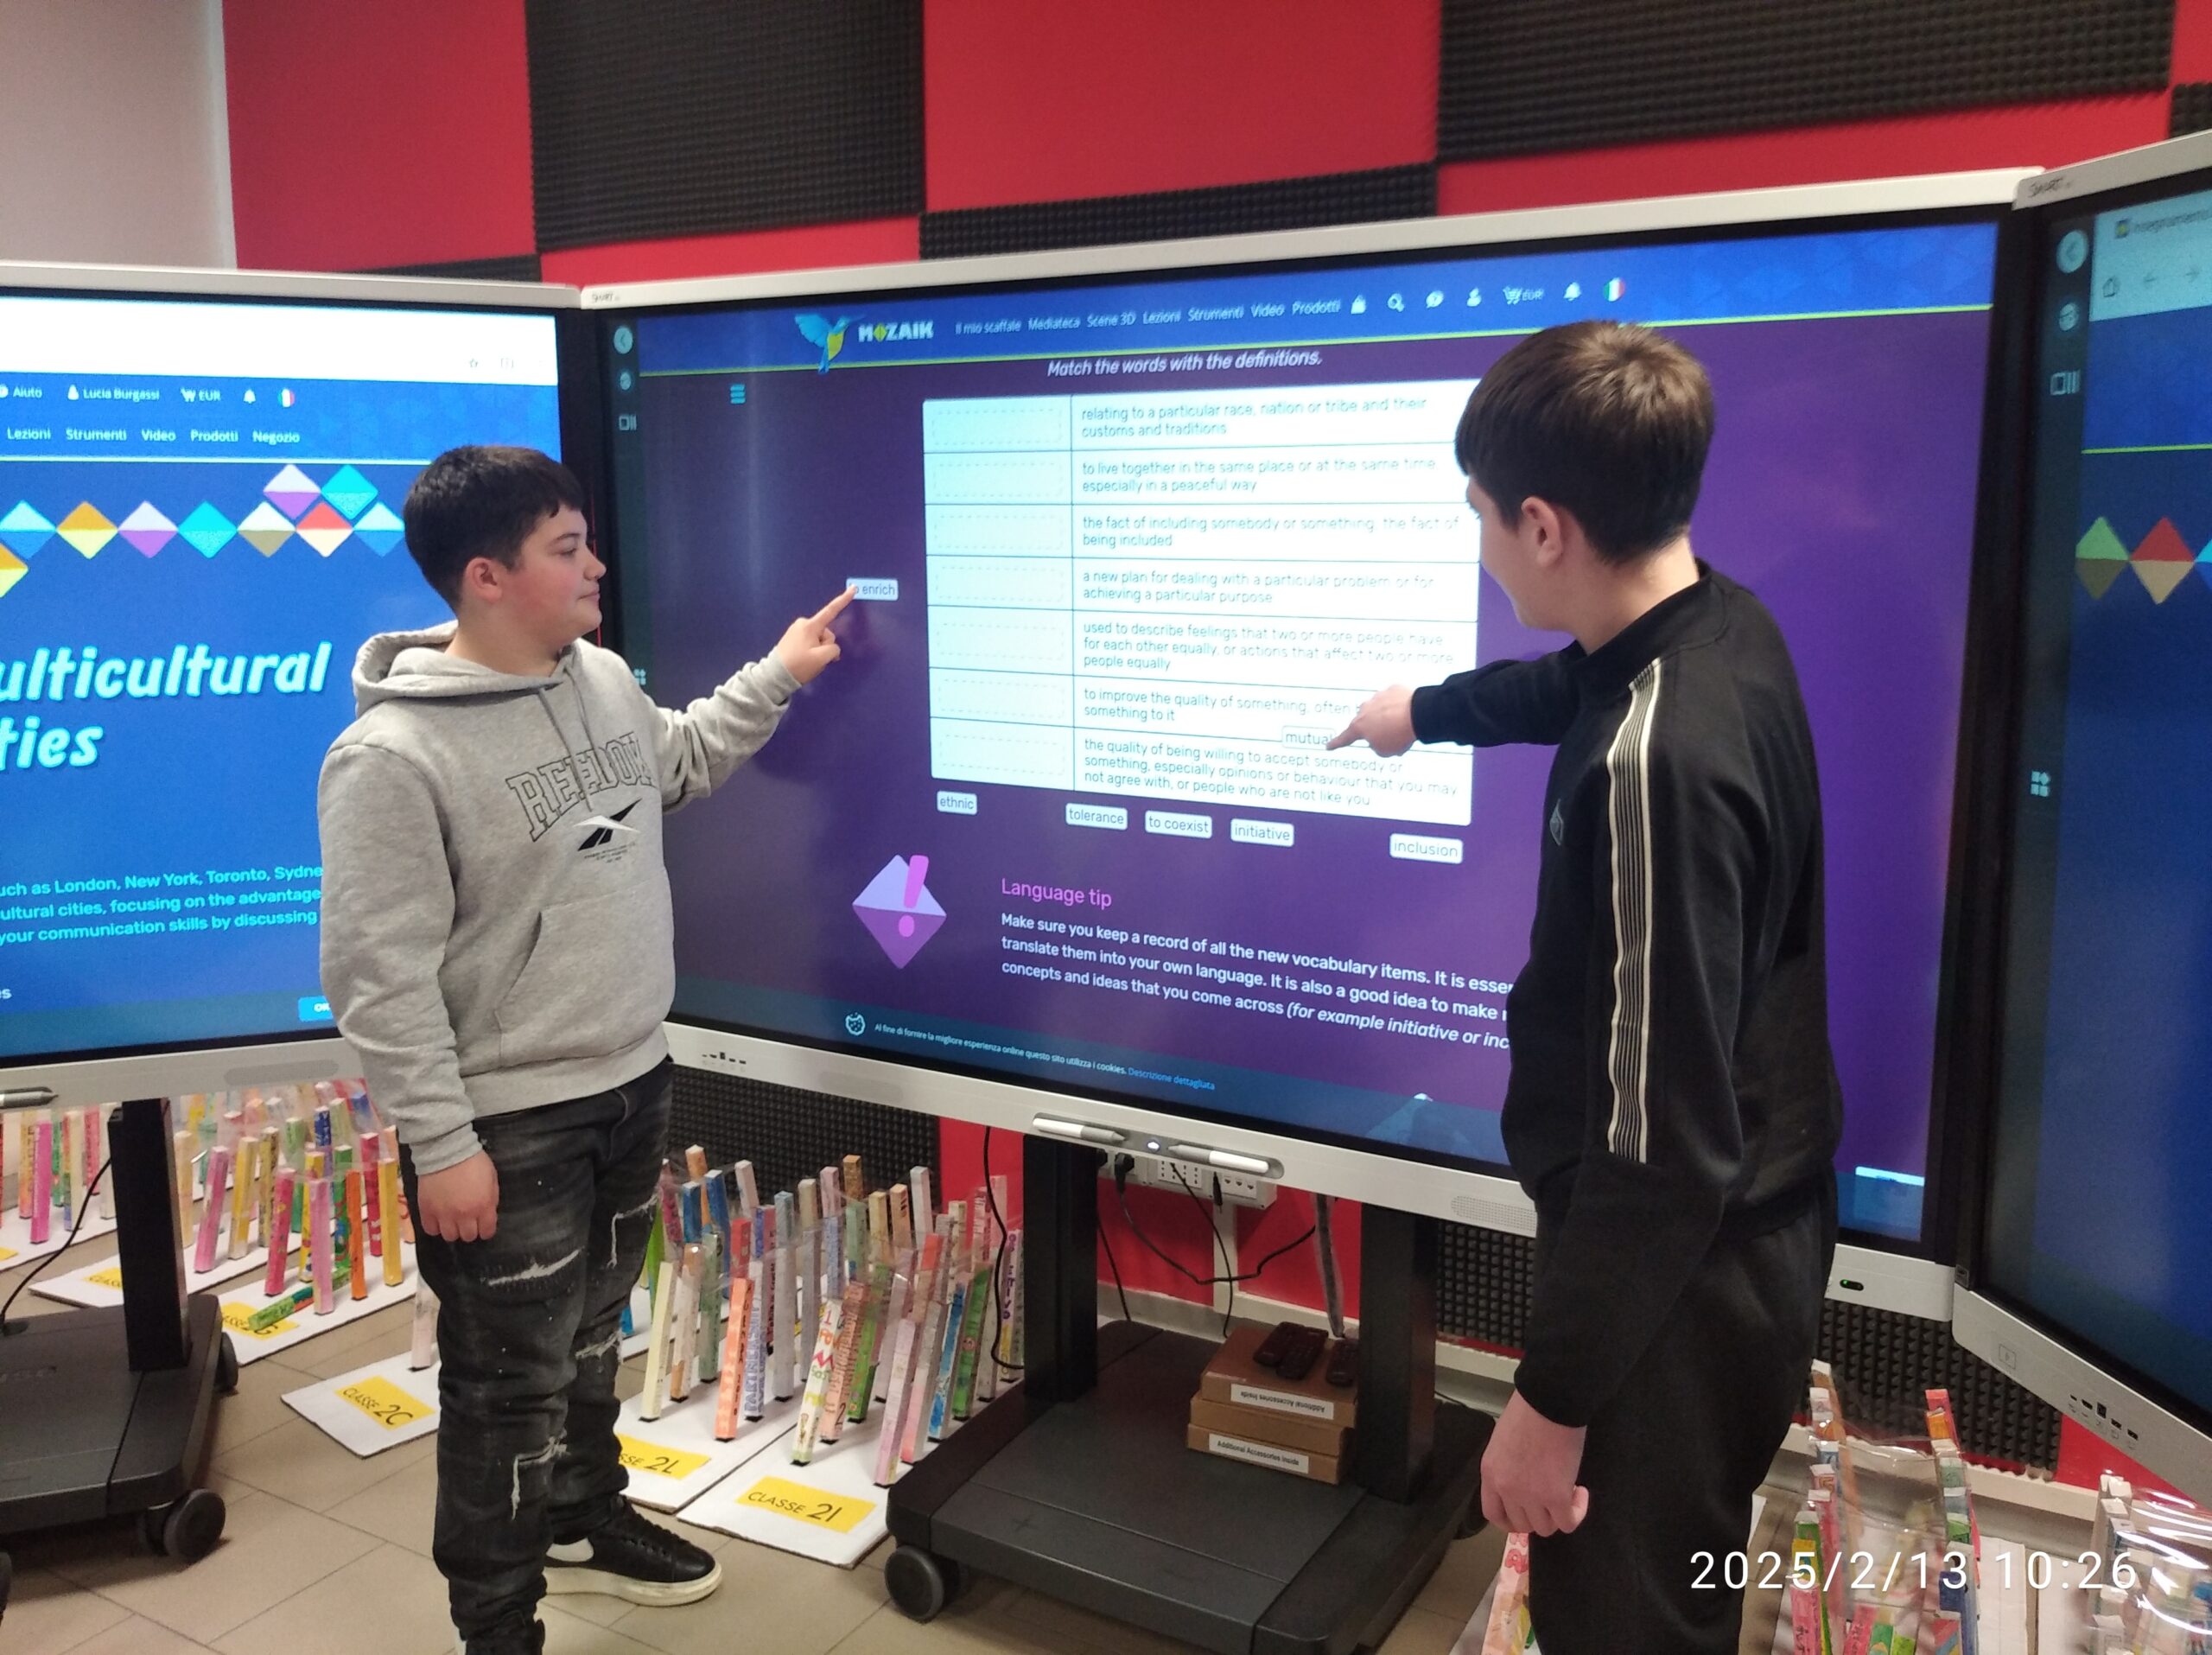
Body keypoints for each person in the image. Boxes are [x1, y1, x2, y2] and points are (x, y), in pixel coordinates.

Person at [1331, 322, 1840, 1652]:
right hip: (1730, 1237)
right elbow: (1580, 681)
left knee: (1626, 1619)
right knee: (1667, 1592)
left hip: (1678, 1278)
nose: (1481, 541)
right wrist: (1425, 712)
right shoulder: (1716, 623)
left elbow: (1664, 1150)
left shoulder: (1656, 769)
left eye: (1482, 514)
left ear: (1544, 528)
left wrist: (1550, 1405)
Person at [317, 445, 852, 1655]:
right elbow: (377, 976)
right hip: (506, 1127)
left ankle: (582, 1516)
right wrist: (441, 1144)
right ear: (487, 577)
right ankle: (497, 1626)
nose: (596, 565)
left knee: (596, 1339)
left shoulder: (598, 678)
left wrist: (778, 672)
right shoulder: (390, 760)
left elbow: (679, 761)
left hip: (628, 1081)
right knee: (507, 1386)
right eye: (567, 549)